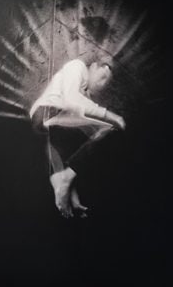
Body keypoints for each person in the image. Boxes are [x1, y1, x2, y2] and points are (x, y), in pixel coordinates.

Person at [29, 57, 125, 218]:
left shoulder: (83, 93)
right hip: (47, 112)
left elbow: (60, 152)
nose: (102, 85)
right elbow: (71, 99)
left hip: (47, 121)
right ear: (93, 66)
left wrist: (72, 196)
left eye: (106, 83)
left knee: (78, 146)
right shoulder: (77, 66)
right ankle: (64, 179)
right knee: (109, 129)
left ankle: (65, 189)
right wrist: (111, 115)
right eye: (102, 77)